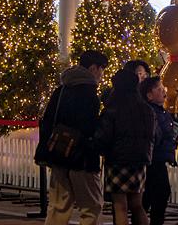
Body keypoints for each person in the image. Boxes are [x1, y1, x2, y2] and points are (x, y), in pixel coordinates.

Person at [35, 50, 108, 225]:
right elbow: (88, 128)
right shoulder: (89, 94)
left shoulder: (61, 90)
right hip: (81, 159)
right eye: (101, 69)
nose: (102, 74)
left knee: (58, 205)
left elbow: (47, 121)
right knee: (91, 206)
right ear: (92, 68)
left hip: (59, 154)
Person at [98, 66, 155, 225]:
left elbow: (105, 135)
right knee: (137, 205)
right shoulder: (146, 109)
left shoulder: (114, 108)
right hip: (139, 161)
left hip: (117, 160)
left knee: (120, 206)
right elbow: (152, 136)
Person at [141, 76, 178, 225]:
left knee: (151, 194)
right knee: (160, 193)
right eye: (159, 89)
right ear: (149, 95)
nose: (164, 91)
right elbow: (156, 136)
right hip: (154, 159)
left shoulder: (162, 112)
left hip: (158, 158)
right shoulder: (151, 113)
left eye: (163, 88)